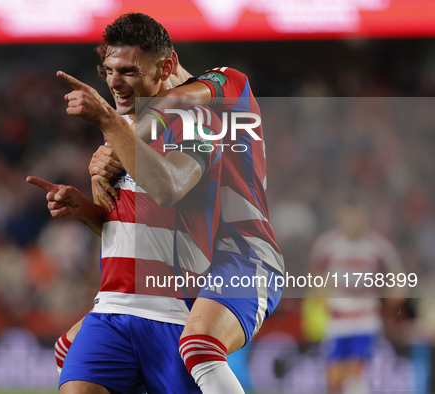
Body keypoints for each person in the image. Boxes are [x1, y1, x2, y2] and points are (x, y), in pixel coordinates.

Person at [79, 13, 285, 393]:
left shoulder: (225, 85)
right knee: (72, 351)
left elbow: (176, 100)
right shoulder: (135, 135)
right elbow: (123, 219)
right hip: (190, 259)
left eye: (130, 70)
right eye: (109, 71)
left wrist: (112, 138)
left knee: (200, 347)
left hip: (244, 253)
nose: (116, 83)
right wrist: (98, 179)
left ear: (167, 65)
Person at [309, 200, 404, 394]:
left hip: (365, 319)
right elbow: (315, 276)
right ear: (340, 216)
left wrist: (392, 299)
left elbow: (395, 277)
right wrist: (319, 294)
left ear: (365, 218)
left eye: (357, 216)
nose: (352, 222)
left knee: (356, 373)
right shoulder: (327, 245)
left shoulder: (379, 247)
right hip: (337, 319)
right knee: (334, 378)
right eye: (348, 216)